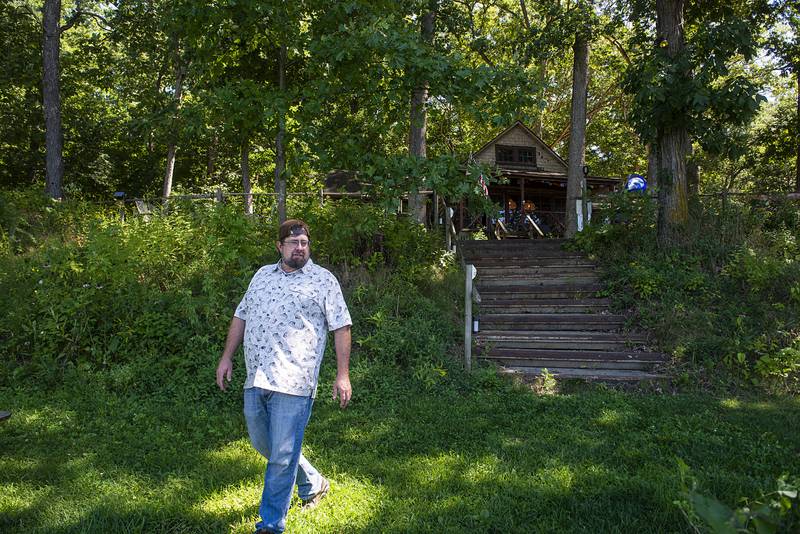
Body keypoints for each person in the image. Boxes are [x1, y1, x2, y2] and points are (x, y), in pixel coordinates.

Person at [216, 218, 353, 534]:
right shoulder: (262, 276)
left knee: (280, 456)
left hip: (295, 380)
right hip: (257, 376)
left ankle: (270, 524)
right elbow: (241, 315)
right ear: (279, 246)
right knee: (266, 444)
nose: (300, 248)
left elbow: (341, 326)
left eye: (304, 243)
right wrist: (226, 358)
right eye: (294, 243)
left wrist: (342, 375)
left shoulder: (323, 281)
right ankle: (314, 482)